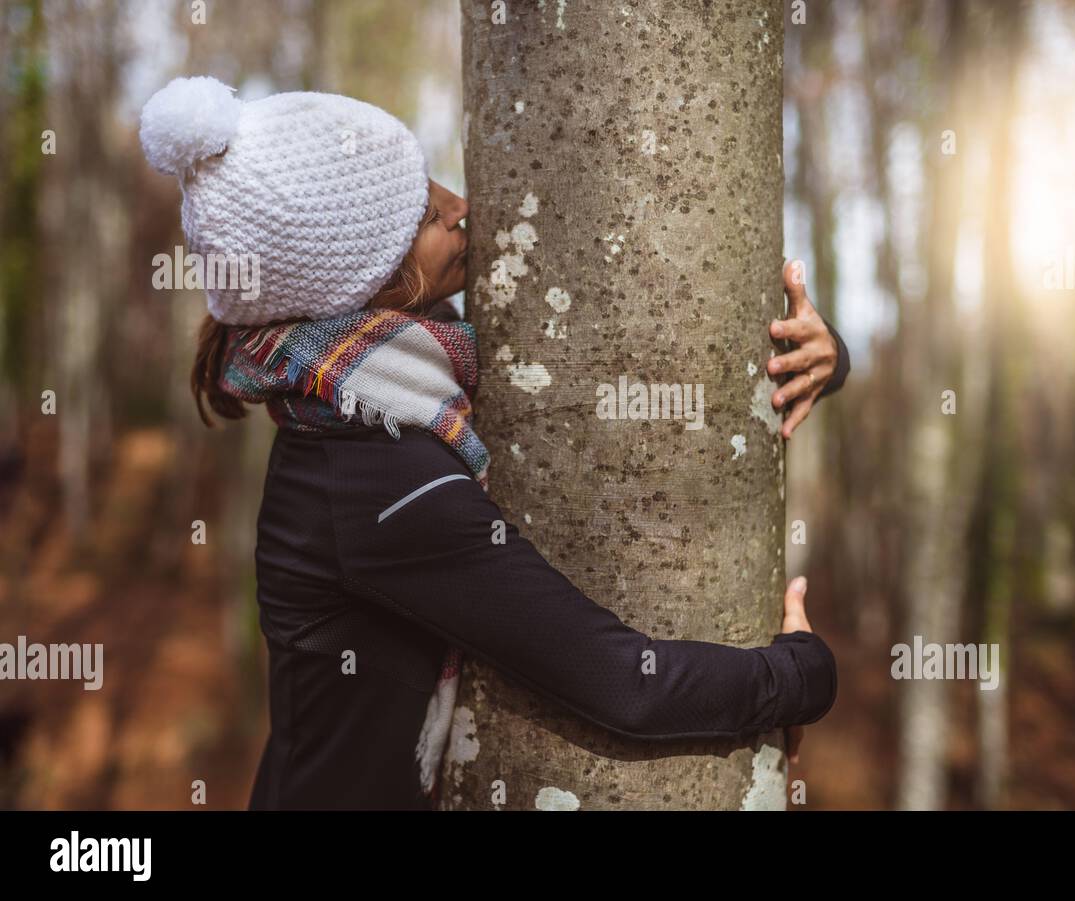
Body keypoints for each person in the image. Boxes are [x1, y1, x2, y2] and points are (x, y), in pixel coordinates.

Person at [139, 76, 851, 810]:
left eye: (429, 185)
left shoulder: (387, 385)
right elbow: (621, 679)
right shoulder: (378, 477)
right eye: (425, 214)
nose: (462, 210)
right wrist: (802, 677)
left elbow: (601, 365)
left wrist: (820, 359)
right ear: (364, 287)